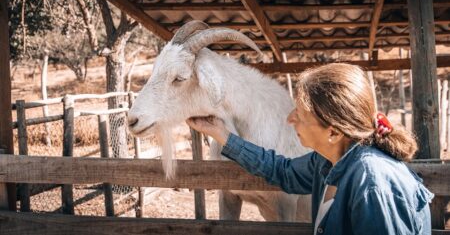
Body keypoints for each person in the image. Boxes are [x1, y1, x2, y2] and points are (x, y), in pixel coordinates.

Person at [186, 63, 434, 235]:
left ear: (333, 131)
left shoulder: (372, 184)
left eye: (302, 115)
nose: (291, 118)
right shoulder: (328, 161)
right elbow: (282, 170)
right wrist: (223, 135)